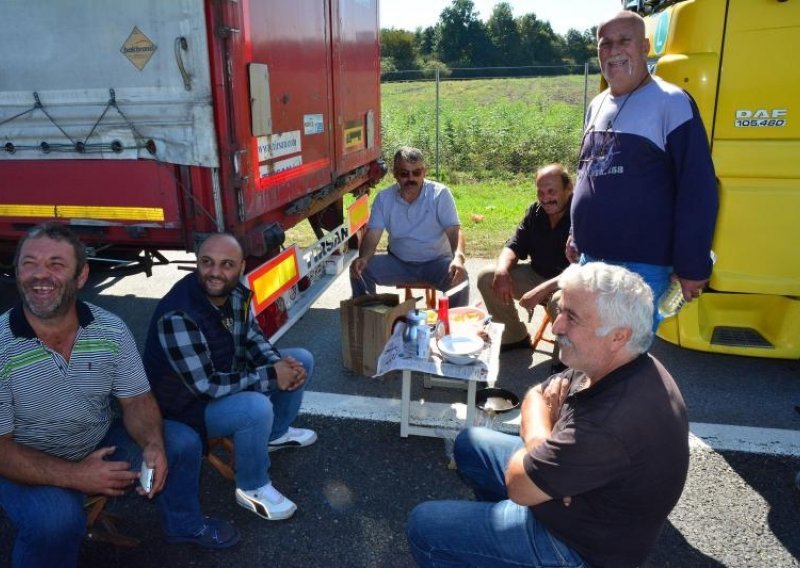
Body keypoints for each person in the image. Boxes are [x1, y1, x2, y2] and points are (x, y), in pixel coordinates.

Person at [407, 262, 689, 568]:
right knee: (469, 443)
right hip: (576, 499)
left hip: (577, 548)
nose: (555, 327)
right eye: (562, 311)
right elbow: (536, 395)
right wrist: (545, 449)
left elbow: (519, 486)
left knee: (423, 525)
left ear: (618, 336)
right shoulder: (616, 361)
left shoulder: (609, 424)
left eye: (572, 318)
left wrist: (538, 457)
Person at [0, 223, 239, 568]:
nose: (40, 275)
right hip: (24, 462)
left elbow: (137, 400)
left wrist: (153, 444)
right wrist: (76, 475)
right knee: (55, 520)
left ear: (81, 276)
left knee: (182, 441)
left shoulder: (110, 328)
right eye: (29, 263)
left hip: (98, 442)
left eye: (56, 264)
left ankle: (184, 524)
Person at [143, 233, 316, 521]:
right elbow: (205, 387)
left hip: (220, 380)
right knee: (254, 408)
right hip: (182, 408)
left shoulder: (235, 294)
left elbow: (252, 339)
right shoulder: (178, 314)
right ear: (197, 263)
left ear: (241, 266)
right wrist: (273, 376)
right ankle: (252, 486)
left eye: (226, 265)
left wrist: (280, 366)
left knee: (303, 359)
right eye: (207, 263)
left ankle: (275, 434)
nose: (215, 273)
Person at [570, 10, 718, 324]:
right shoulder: (597, 105)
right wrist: (575, 233)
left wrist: (693, 266)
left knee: (623, 356)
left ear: (645, 47)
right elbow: (587, 173)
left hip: (642, 267)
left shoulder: (671, 102)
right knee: (590, 348)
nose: (613, 51)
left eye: (624, 40)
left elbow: (698, 190)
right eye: (605, 44)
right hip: (591, 259)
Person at [350, 146, 469, 307]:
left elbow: (454, 231)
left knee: (460, 279)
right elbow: (372, 235)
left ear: (424, 172)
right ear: (395, 174)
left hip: (436, 262)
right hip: (399, 262)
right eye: (404, 173)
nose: (410, 178)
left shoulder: (440, 194)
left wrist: (458, 258)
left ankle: (455, 328)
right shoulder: (384, 198)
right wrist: (363, 258)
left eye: (416, 173)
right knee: (359, 270)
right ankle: (370, 320)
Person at [476, 164, 572, 351]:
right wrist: (502, 270)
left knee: (559, 302)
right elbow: (514, 245)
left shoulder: (582, 214)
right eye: (541, 192)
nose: (545, 199)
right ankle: (513, 336)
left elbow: (584, 268)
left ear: (569, 189)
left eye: (551, 191)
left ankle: (567, 362)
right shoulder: (536, 212)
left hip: (569, 284)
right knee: (488, 276)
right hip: (537, 275)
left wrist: (541, 291)